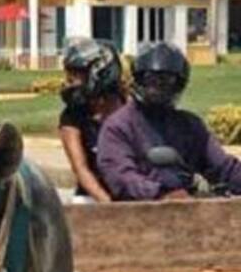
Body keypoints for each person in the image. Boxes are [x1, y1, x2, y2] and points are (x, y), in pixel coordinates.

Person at [97, 41, 241, 201]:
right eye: (151, 78)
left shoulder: (190, 125)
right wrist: (161, 194)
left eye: (167, 80)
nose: (158, 86)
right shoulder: (118, 126)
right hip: (133, 215)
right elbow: (122, 178)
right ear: (138, 78)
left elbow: (223, 167)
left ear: (179, 84)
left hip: (188, 212)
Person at [57, 38, 126, 203]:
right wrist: (109, 205)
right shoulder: (72, 116)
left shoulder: (130, 109)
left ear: (100, 72)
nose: (69, 81)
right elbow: (80, 169)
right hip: (91, 196)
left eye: (76, 74)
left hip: (133, 190)